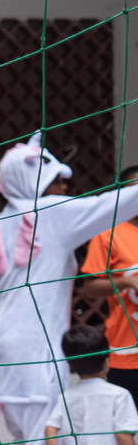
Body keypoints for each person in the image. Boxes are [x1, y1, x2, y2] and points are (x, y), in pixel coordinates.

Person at [0, 132, 138, 445]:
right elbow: (118, 203)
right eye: (56, 178)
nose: (65, 186)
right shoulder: (49, 212)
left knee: (25, 444)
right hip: (35, 347)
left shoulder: (0, 221)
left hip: (6, 342)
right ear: (36, 182)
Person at [78, 165, 138, 409]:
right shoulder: (108, 235)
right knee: (125, 431)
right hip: (126, 352)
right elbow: (89, 287)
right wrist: (125, 281)